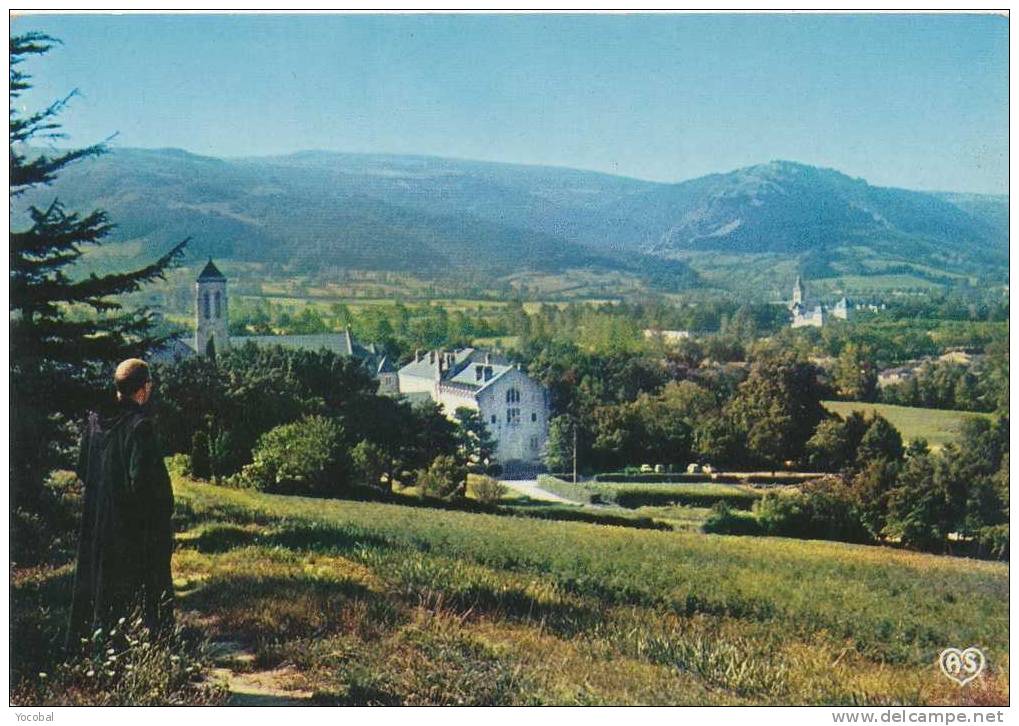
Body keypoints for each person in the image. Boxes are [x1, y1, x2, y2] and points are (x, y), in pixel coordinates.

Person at [65, 358, 175, 653]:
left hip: (97, 524)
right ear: (143, 388)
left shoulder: (94, 422)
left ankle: (96, 654)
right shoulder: (141, 427)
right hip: (132, 530)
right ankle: (147, 652)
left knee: (100, 593)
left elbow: (83, 470)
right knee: (140, 594)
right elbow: (146, 486)